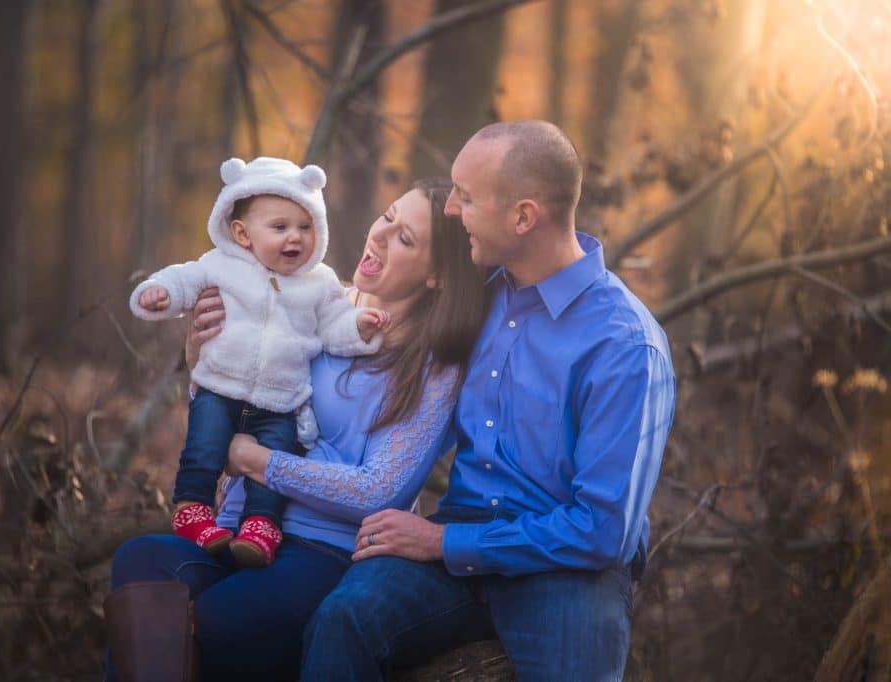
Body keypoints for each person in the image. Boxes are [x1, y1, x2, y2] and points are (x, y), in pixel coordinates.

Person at [300, 120, 677, 681]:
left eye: (466, 197)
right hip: (456, 547)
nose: (450, 209)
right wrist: (230, 327)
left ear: (523, 217)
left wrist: (444, 541)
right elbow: (365, 314)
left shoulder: (624, 345)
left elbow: (603, 531)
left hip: (567, 569)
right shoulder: (476, 295)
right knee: (342, 618)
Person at [105, 177, 488, 680]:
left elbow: (380, 489)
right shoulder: (313, 303)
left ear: (436, 276)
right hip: (241, 528)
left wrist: (258, 462)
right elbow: (234, 419)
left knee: (218, 618)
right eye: (389, 216)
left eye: (405, 238)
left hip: (326, 553)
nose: (380, 235)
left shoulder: (435, 368)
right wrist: (202, 365)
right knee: (143, 565)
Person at [129, 156, 389, 567]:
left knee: (275, 465)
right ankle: (192, 508)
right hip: (219, 385)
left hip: (279, 401)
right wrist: (159, 292)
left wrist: (360, 327)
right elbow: (184, 279)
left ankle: (261, 526)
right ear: (242, 233)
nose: (296, 238)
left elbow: (335, 324)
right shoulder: (221, 265)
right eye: (280, 227)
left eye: (305, 227)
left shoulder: (319, 282)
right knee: (203, 449)